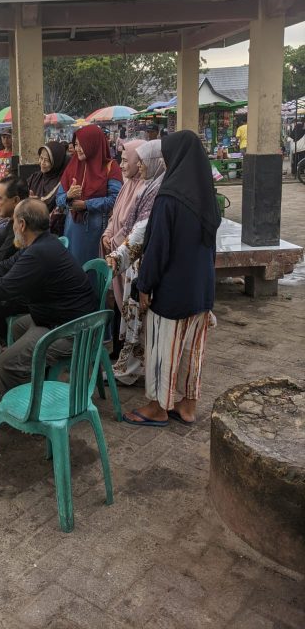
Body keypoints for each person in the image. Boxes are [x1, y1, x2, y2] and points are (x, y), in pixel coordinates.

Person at [0, 199, 97, 394]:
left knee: (6, 363)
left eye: (13, 221)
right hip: (58, 318)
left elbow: (5, 288)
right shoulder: (40, 243)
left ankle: (22, 416)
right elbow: (5, 266)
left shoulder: (39, 252)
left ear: (22, 225)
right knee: (17, 326)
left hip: (73, 331)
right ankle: (33, 381)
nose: (12, 226)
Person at [123, 130, 221, 427]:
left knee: (163, 349)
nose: (164, 162)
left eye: (167, 156)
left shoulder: (170, 197)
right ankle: (188, 406)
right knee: (193, 351)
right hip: (201, 290)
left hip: (173, 291)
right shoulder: (207, 196)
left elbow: (157, 248)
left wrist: (144, 285)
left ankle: (158, 407)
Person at [105, 141, 166, 385]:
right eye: (136, 160)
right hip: (128, 259)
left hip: (138, 262)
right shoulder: (139, 186)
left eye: (141, 161)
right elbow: (117, 217)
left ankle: (134, 370)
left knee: (138, 319)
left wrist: (118, 247)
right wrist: (109, 236)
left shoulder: (155, 190)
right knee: (130, 316)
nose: (137, 165)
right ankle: (131, 366)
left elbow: (139, 230)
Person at [101, 139, 145, 354]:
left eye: (127, 160)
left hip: (130, 258)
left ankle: (125, 353)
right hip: (116, 251)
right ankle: (118, 350)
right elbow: (115, 216)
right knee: (117, 301)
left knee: (127, 303)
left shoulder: (144, 188)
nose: (122, 165)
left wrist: (116, 240)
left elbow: (135, 225)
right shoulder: (127, 185)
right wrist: (108, 234)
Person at [55, 124, 123, 267]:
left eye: (82, 145)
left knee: (92, 268)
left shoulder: (110, 167)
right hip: (73, 228)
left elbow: (116, 199)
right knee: (74, 268)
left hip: (97, 229)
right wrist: (68, 196)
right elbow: (59, 199)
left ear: (93, 144)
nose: (77, 149)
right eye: (76, 145)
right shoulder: (72, 166)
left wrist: (86, 204)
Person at [26, 141, 68, 212]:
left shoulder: (62, 182)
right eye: (41, 158)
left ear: (57, 162)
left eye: (47, 160)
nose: (42, 163)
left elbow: (53, 205)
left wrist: (34, 202)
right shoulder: (35, 177)